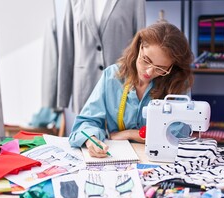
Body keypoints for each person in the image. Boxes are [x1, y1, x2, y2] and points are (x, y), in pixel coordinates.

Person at [69, 22, 194, 158]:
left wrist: (129, 134)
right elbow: (85, 123)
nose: (149, 71)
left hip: (161, 159)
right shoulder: (112, 76)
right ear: (139, 46)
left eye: (161, 68)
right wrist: (90, 139)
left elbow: (178, 133)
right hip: (118, 158)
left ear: (172, 67)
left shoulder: (178, 83)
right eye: (146, 60)